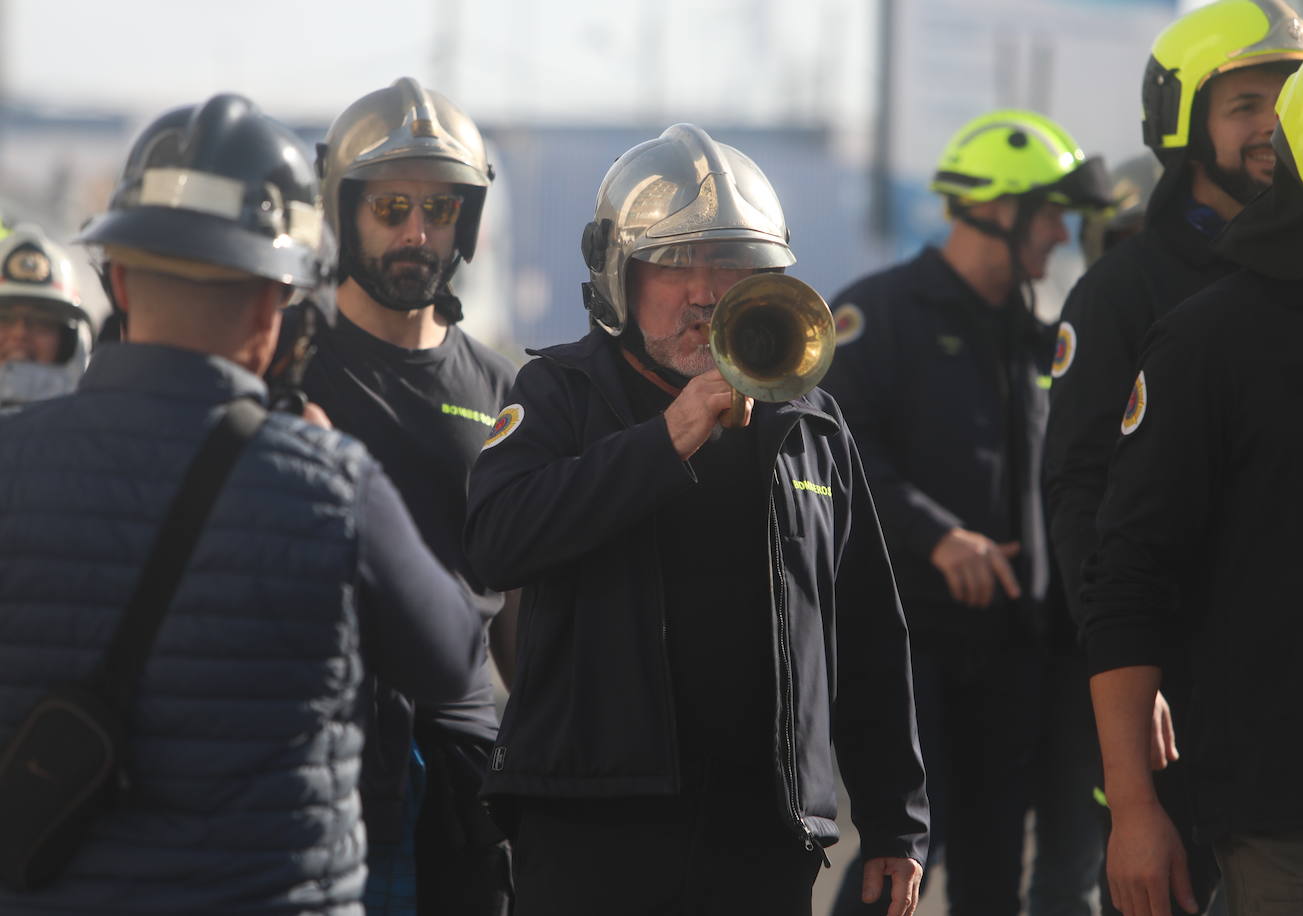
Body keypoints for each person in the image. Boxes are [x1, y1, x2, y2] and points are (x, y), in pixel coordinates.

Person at [0, 93, 486, 914]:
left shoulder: (10, 460)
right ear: (273, 303)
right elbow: (452, 658)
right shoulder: (332, 482)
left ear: (120, 280)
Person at [464, 122, 929, 916]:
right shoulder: (557, 394)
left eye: (732, 261)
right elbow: (495, 544)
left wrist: (895, 820)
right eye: (676, 261)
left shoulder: (811, 423)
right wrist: (667, 439)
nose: (706, 291)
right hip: (591, 828)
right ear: (619, 275)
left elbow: (866, 630)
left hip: (763, 836)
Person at [1085, 15, 1303, 914]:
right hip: (1299, 824)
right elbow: (1126, 574)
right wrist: (1134, 807)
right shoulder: (1212, 341)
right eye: (1239, 101)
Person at [1044, 4, 1303, 913]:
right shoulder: (1123, 292)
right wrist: (1132, 676)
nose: (1273, 123)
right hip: (1172, 711)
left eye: (1290, 98)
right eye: (1245, 104)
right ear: (1184, 126)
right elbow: (1081, 493)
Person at [822, 109, 1112, 916]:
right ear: (995, 207)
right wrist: (936, 535)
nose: (1061, 234)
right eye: (1049, 213)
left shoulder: (1038, 340)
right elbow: (835, 455)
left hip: (1016, 658)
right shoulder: (877, 316)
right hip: (911, 652)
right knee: (903, 852)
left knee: (993, 875)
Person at [297, 76, 516, 915]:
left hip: (464, 763)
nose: (417, 233)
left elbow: (518, 605)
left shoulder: (502, 390)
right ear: (344, 210)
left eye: (440, 209)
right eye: (391, 207)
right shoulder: (288, 361)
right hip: (323, 750)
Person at [0, 224, 94, 406]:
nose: (20, 333)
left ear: (69, 341)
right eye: (3, 319)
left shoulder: (95, 422)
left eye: (42, 322)